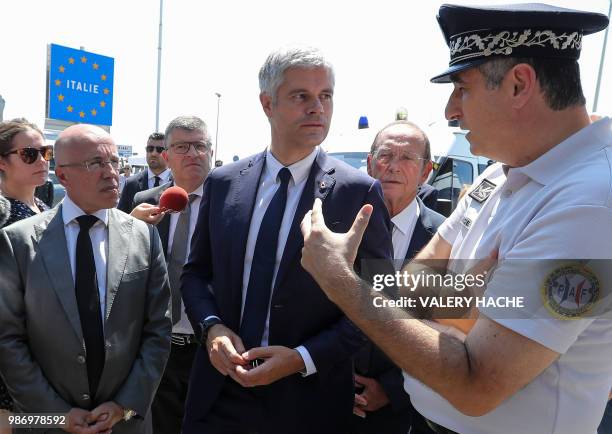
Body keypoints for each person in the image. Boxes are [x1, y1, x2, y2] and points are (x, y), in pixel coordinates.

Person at [299, 4, 612, 434]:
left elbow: (474, 384)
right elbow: (408, 291)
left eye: (462, 87)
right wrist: (472, 296)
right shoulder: (498, 175)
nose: (451, 111)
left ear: (519, 84)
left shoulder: (589, 204)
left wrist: (339, 279)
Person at [180, 46, 393, 434]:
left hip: (309, 403)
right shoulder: (225, 183)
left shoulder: (358, 193)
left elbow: (379, 304)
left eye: (325, 96)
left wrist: (301, 358)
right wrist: (212, 328)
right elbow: (195, 274)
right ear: (267, 103)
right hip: (219, 397)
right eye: (301, 96)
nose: (318, 108)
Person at [0, 124, 172, 434]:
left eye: (114, 162)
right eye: (95, 163)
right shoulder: (17, 242)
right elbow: (7, 339)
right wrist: (56, 414)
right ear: (62, 176)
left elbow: (158, 329)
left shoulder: (145, 237)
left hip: (125, 423)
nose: (111, 173)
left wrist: (124, 405)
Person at [351, 121, 444, 434]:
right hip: (326, 395)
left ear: (426, 172)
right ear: (368, 163)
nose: (392, 166)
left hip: (403, 414)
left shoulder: (447, 240)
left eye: (407, 158)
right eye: (385, 155)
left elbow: (448, 333)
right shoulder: (336, 225)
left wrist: (392, 389)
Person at [129, 116, 213, 434]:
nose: (193, 153)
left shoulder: (235, 202)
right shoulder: (144, 203)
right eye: (181, 146)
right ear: (166, 156)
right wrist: (128, 227)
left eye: (200, 145)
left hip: (211, 347)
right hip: (158, 346)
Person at [0, 118, 53, 423]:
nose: (41, 160)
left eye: (44, 152)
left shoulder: (45, 210)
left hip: (48, 356)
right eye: (29, 154)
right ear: (2, 162)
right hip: (12, 357)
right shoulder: (3, 216)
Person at [118, 132, 171, 212]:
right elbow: (121, 217)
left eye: (159, 150)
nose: (153, 153)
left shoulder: (178, 183)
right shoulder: (131, 183)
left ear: (167, 152)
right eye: (150, 149)